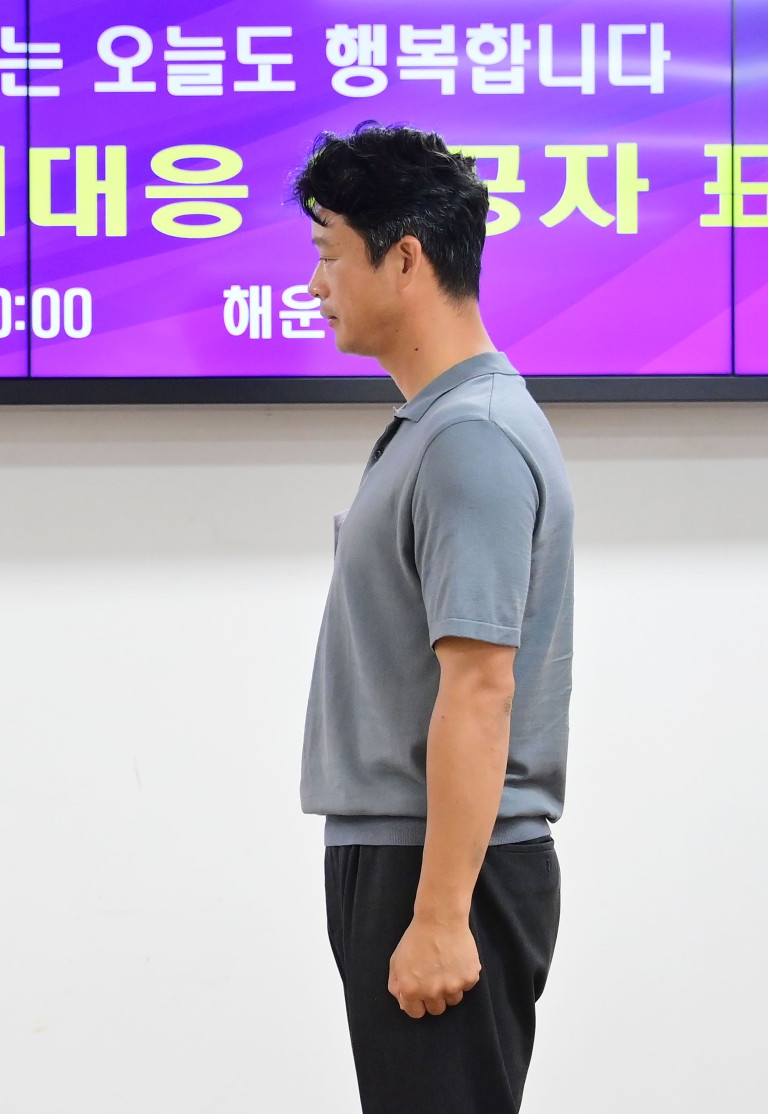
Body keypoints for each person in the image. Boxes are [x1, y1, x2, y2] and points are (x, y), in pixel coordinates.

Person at [294, 124, 574, 1113]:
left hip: (446, 869)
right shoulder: (437, 427)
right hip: (403, 856)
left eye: (331, 256)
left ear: (404, 257)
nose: (316, 286)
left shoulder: (472, 439)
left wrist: (443, 914)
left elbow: (482, 688)